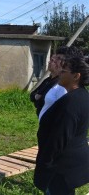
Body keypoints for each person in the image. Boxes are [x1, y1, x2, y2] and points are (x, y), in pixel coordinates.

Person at [34, 56, 89, 195]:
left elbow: (59, 138)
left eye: (64, 71)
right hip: (71, 163)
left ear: (76, 76)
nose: (60, 74)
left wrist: (46, 164)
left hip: (61, 166)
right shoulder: (82, 95)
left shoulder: (71, 102)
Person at [30, 46, 83, 117]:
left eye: (59, 59)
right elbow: (33, 95)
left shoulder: (64, 88)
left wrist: (40, 98)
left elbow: (42, 101)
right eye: (55, 59)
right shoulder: (48, 80)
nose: (55, 62)